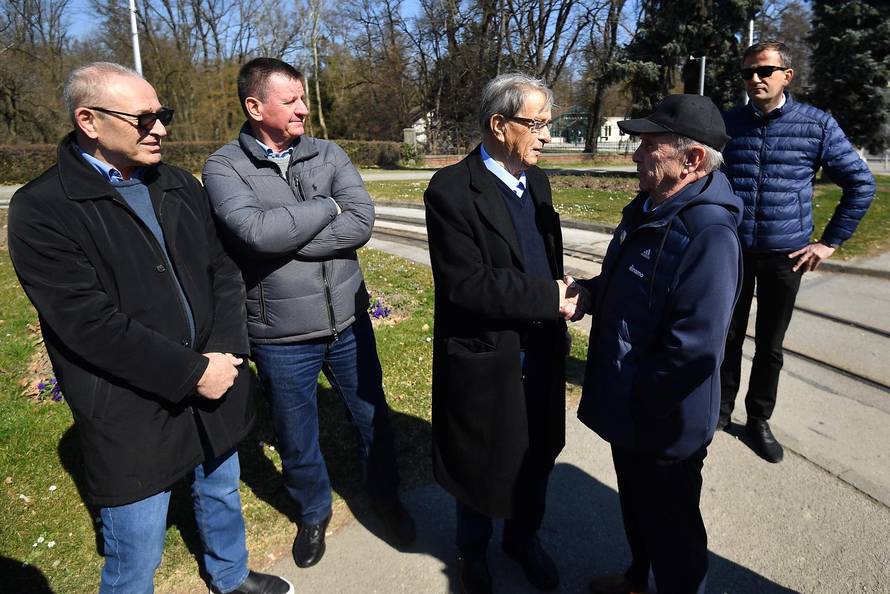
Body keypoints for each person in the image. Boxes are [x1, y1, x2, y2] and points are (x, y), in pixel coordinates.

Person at [6, 62, 292, 594]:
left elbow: (222, 270)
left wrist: (227, 352)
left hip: (216, 377)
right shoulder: (42, 209)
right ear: (88, 121)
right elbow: (88, 325)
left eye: (162, 114)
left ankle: (230, 578)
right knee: (137, 546)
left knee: (221, 490)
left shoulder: (178, 183)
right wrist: (191, 373)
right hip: (128, 406)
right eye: (143, 119)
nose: (160, 128)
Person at [202, 57, 415, 569]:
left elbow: (361, 221)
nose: (304, 109)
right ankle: (313, 512)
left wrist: (284, 238)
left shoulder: (328, 152)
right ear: (255, 107)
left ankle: (386, 498)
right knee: (296, 436)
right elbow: (253, 234)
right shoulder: (223, 167)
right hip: (280, 334)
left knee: (372, 419)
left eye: (304, 97)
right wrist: (325, 209)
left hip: (348, 322)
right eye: (291, 100)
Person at [576, 95, 743, 594]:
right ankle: (636, 581)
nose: (635, 155)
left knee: (673, 531)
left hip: (664, 420)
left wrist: (642, 403)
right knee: (637, 510)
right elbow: (632, 283)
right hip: (633, 409)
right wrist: (591, 290)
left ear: (691, 160)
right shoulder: (651, 205)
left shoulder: (708, 232)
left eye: (650, 145)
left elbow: (694, 348)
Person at [424, 73, 579, 594]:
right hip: (489, 354)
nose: (546, 137)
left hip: (540, 349)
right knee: (482, 459)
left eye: (547, 125)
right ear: (498, 124)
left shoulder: (537, 182)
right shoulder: (450, 190)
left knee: (537, 453)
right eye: (536, 125)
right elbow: (466, 285)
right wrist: (550, 298)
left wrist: (561, 295)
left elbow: (542, 259)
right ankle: (474, 552)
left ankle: (522, 538)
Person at [720, 41, 876, 463]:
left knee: (770, 343)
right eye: (749, 72)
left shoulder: (817, 125)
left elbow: (862, 184)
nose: (756, 78)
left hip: (784, 255)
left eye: (765, 70)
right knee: (726, 335)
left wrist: (828, 243)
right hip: (731, 251)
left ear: (787, 75)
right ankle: (718, 411)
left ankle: (758, 421)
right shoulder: (728, 123)